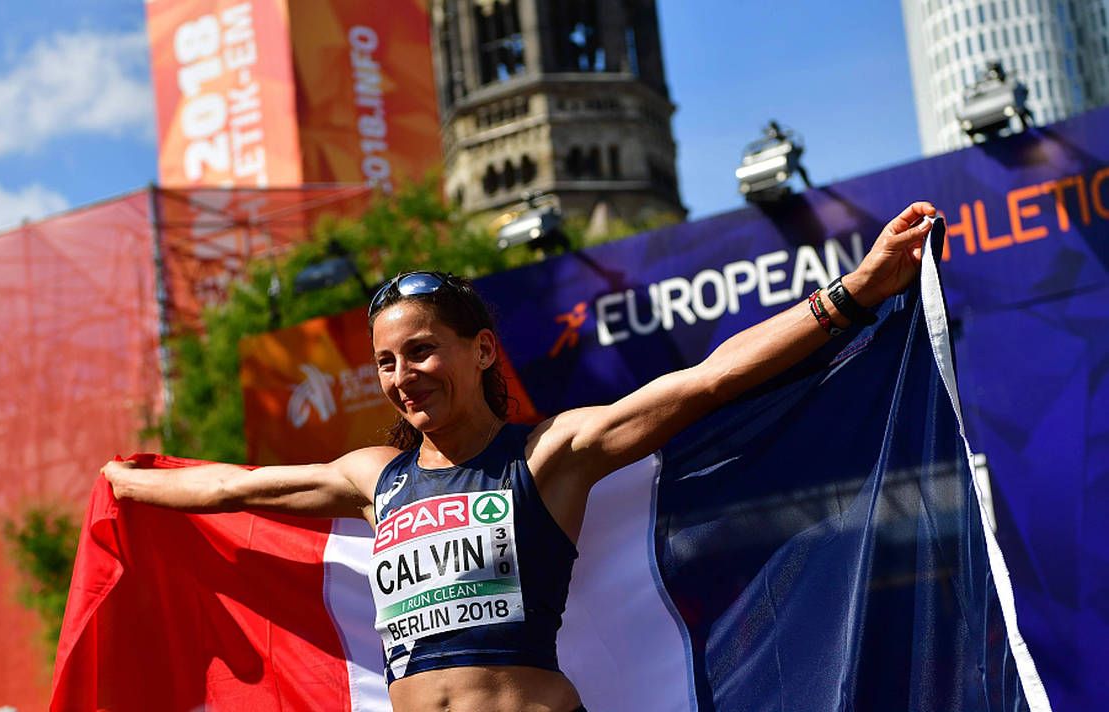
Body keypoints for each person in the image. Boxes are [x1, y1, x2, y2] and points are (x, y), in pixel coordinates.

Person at [103, 202, 939, 712]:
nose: (403, 377)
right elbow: (236, 489)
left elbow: (709, 379)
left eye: (423, 352)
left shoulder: (551, 455)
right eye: (387, 363)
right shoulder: (373, 478)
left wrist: (854, 291)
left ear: (482, 352)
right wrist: (125, 486)